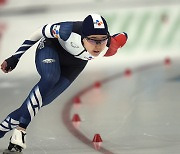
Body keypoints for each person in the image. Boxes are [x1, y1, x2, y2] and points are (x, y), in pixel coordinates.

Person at [0, 14, 128, 152]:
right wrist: (15, 57)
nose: (98, 46)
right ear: (83, 37)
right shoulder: (67, 31)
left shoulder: (110, 46)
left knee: (41, 101)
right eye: (92, 40)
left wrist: (117, 39)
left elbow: (123, 36)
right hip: (51, 49)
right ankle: (21, 130)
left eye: (102, 40)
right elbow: (38, 32)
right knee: (50, 78)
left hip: (75, 65)